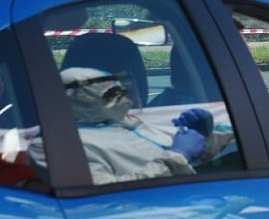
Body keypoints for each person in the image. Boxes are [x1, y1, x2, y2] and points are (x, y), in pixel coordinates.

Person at [30, 67, 225, 185]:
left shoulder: (128, 125)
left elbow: (191, 161)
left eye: (122, 91)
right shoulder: (58, 146)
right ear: (79, 101)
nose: (125, 99)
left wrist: (204, 137)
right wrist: (178, 157)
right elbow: (105, 195)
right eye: (112, 95)